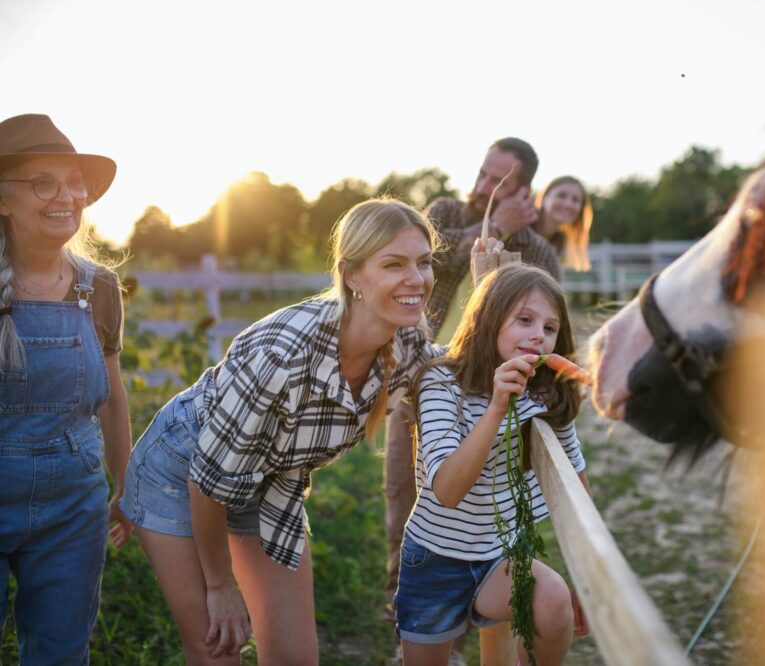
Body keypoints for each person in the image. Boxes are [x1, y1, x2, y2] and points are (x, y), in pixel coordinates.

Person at [120, 199, 445, 664]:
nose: (417, 280)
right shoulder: (284, 356)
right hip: (181, 473)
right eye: (394, 264)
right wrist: (220, 586)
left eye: (424, 262)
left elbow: (460, 367)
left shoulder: (407, 339)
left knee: (294, 657)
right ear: (351, 275)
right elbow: (206, 481)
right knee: (218, 648)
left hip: (267, 483)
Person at [384, 137, 562, 609]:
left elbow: (549, 320)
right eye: (483, 172)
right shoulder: (445, 212)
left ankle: (479, 605)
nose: (482, 185)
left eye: (497, 181)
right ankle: (405, 603)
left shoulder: (538, 250)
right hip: (425, 378)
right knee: (406, 492)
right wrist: (487, 233)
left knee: (486, 502)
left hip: (494, 392)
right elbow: (425, 259)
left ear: (523, 191)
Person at [396, 263, 590, 666]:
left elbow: (576, 485)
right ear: (489, 318)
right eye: (525, 320)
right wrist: (498, 406)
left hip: (501, 557)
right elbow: (447, 491)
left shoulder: (547, 393)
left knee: (553, 601)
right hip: (435, 559)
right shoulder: (441, 384)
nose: (539, 334)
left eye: (550, 328)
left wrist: (587, 581)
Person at [0, 113, 134, 664]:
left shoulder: (98, 287)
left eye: (74, 183)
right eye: (43, 183)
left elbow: (114, 396)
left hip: (73, 505)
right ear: (3, 200)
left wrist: (126, 484)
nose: (67, 197)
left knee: (60, 652)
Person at [533, 176, 593, 272]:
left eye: (575, 200)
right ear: (545, 198)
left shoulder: (559, 240)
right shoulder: (520, 228)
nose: (568, 204)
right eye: (561, 196)